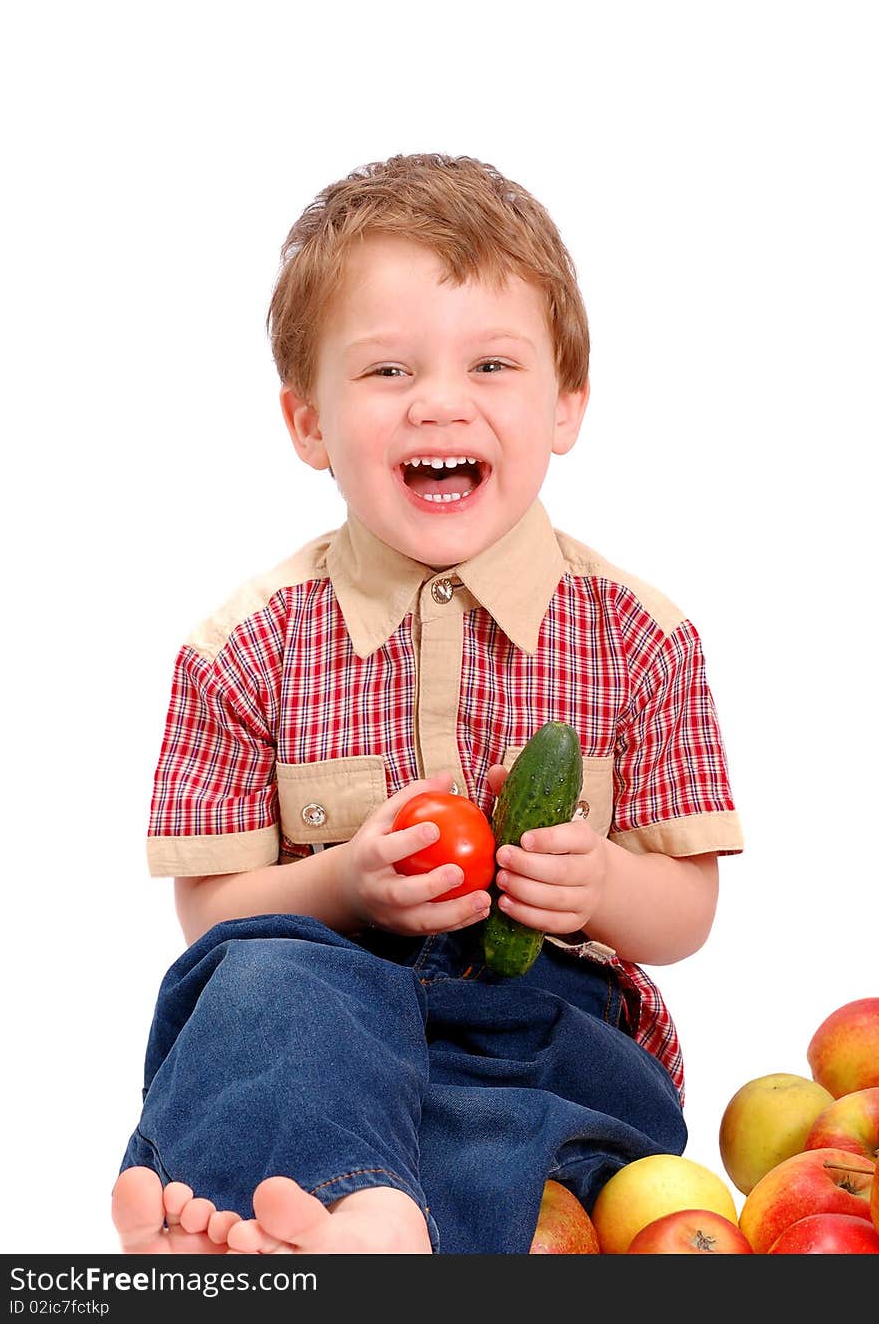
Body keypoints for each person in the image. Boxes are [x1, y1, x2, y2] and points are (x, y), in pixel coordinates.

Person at [111, 153, 744, 1255]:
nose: (439, 402)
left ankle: (337, 1229)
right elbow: (210, 919)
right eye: (388, 371)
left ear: (566, 406)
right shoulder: (239, 650)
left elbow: (685, 914)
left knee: (535, 1123)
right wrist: (345, 882)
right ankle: (337, 1215)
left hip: (542, 1021)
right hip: (324, 1006)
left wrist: (599, 880)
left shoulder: (644, 638)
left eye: (491, 364)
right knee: (259, 992)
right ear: (307, 422)